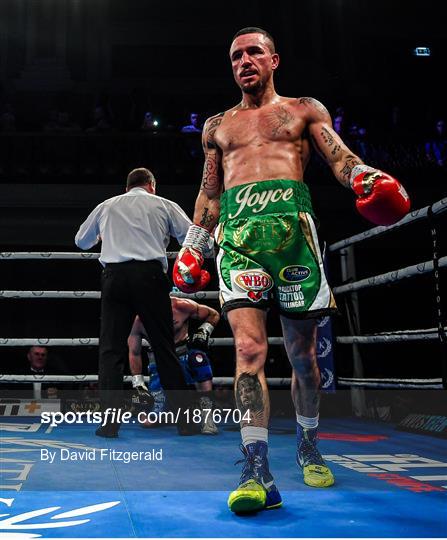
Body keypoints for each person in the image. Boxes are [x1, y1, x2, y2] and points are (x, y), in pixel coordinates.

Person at [173, 27, 410, 513]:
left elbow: (339, 157)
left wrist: (366, 178)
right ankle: (256, 468)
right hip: (238, 240)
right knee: (248, 348)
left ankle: (307, 443)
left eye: (254, 52)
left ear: (274, 59)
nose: (244, 60)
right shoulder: (217, 126)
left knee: (304, 359)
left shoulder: (304, 109)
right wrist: (195, 245)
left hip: (294, 238)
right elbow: (211, 193)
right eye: (236, 55)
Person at [75, 167, 202, 438]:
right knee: (164, 347)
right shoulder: (163, 204)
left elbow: (81, 242)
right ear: (151, 185)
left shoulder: (107, 206)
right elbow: (191, 238)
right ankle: (187, 423)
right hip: (150, 277)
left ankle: (109, 424)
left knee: (111, 351)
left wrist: (103, 236)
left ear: (127, 187)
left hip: (115, 278)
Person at [128, 295, 220, 434]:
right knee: (148, 422)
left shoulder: (182, 306)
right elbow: (134, 353)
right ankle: (174, 409)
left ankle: (206, 414)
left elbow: (213, 314)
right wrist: (138, 383)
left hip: (185, 354)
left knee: (198, 358)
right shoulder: (140, 320)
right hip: (160, 361)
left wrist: (204, 330)